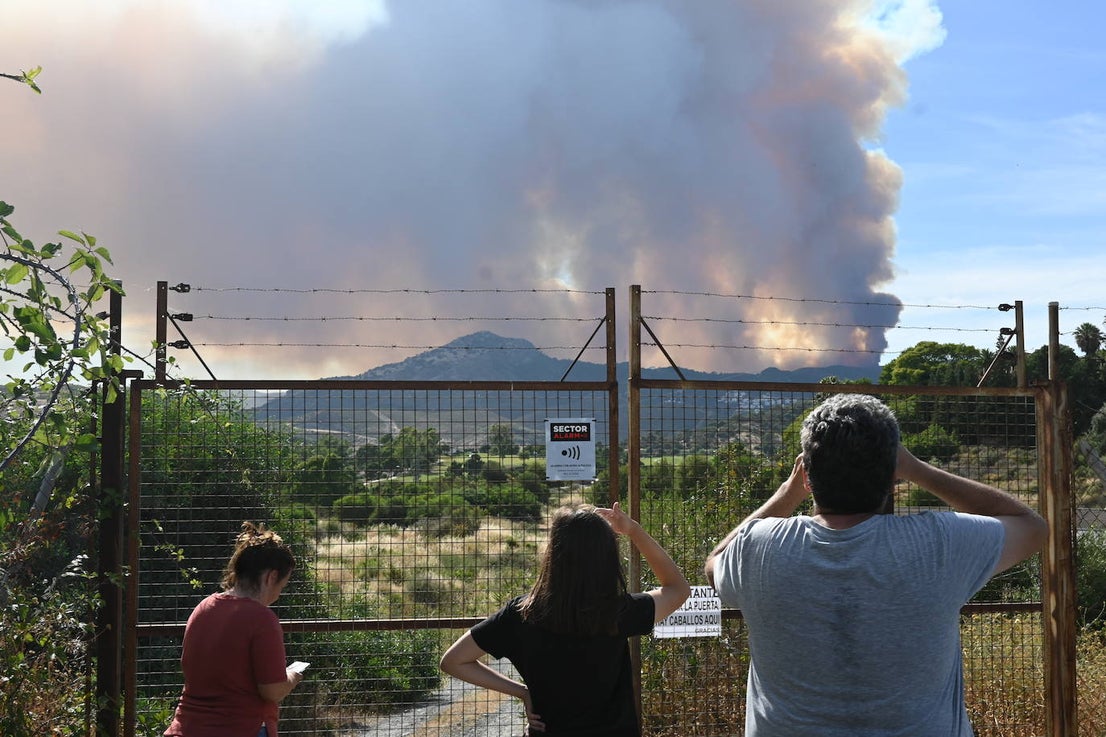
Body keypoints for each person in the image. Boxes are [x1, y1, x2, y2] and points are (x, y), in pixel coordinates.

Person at [704, 393, 1048, 737]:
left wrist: (789, 491)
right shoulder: (941, 541)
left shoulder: (758, 547)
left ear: (808, 476)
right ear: (892, 476)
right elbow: (1033, 528)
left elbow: (714, 563)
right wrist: (917, 468)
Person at [440, 502, 691, 736]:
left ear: (554, 552)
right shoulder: (618, 612)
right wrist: (634, 531)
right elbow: (678, 589)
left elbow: (453, 661)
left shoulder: (522, 613)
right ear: (606, 557)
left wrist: (523, 693)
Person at [165, 521, 304, 737]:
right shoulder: (262, 619)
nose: (278, 595)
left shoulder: (204, 607)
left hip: (185, 728)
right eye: (282, 586)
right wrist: (292, 676)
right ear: (272, 577)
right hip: (241, 727)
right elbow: (272, 690)